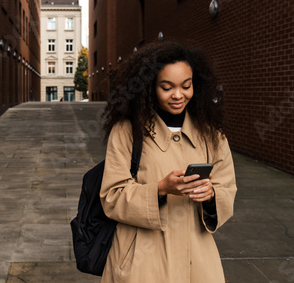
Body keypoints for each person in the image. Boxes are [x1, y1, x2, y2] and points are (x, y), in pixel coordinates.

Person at [100, 41, 237, 282]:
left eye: (186, 86)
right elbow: (112, 195)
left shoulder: (212, 134)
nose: (178, 95)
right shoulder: (126, 132)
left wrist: (211, 196)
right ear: (150, 87)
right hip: (142, 262)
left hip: (199, 260)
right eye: (166, 87)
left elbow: (227, 188)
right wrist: (160, 190)